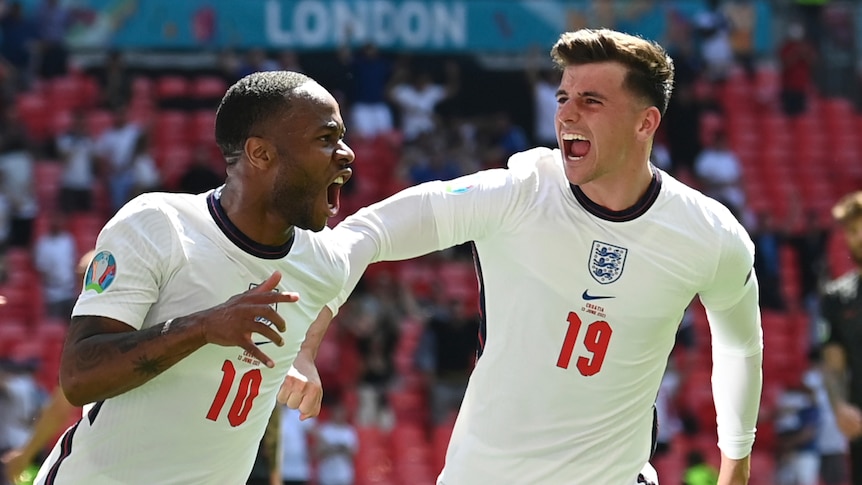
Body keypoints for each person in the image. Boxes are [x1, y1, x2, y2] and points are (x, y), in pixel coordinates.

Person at [294, 28, 763, 484]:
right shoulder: (519, 192)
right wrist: (310, 340)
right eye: (563, 98)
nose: (567, 115)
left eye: (591, 101)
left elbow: (739, 345)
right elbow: (367, 231)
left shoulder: (710, 234)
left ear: (646, 122)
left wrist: (736, 461)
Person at [33, 70, 356, 484]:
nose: (346, 154)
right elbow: (79, 377)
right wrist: (202, 327)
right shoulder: (156, 224)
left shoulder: (324, 265)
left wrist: (302, 359)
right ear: (259, 153)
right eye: (325, 139)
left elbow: (381, 233)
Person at [820, 190, 862, 485]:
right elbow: (833, 366)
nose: (858, 236)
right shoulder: (837, 298)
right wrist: (839, 406)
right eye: (851, 230)